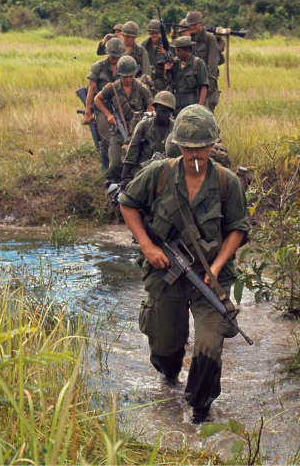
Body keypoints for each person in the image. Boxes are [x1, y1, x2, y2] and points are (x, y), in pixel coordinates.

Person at [117, 105, 250, 424]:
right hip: (166, 275)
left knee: (208, 343)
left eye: (201, 147)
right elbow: (127, 203)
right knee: (166, 352)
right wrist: (148, 247)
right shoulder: (159, 174)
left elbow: (238, 230)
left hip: (209, 278)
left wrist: (216, 267)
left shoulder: (226, 183)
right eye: (188, 147)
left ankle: (200, 412)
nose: (195, 154)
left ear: (212, 145)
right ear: (179, 145)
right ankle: (169, 379)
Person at [94, 56, 154, 184]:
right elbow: (97, 99)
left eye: (130, 76)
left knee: (140, 165)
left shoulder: (142, 88)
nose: (127, 79)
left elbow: (151, 108)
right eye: (124, 76)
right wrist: (108, 115)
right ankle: (121, 186)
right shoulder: (113, 87)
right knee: (114, 165)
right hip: (118, 132)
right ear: (119, 74)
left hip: (138, 132)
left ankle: (134, 187)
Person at [84, 37, 126, 171]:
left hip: (121, 107)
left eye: (118, 56)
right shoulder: (99, 67)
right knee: (106, 138)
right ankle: (108, 169)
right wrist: (87, 112)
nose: (115, 58)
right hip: (102, 107)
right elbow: (91, 90)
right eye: (113, 55)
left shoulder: (125, 66)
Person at [119, 91, 176, 187]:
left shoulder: (176, 128)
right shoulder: (143, 126)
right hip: (143, 172)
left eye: (167, 112)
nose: (163, 115)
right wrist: (123, 178)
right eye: (161, 111)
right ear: (155, 108)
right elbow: (132, 153)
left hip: (168, 173)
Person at [186, 10, 221, 111]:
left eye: (194, 24)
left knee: (206, 112)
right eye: (190, 25)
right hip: (192, 81)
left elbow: (213, 61)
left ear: (200, 23)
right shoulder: (189, 40)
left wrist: (209, 81)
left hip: (207, 80)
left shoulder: (210, 38)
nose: (192, 27)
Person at [165, 36, 208, 116]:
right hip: (177, 107)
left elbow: (204, 86)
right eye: (176, 50)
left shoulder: (198, 63)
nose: (176, 53)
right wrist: (167, 71)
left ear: (188, 51)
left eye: (179, 51)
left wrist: (199, 107)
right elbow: (170, 80)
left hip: (192, 107)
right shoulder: (176, 63)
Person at [141, 19, 170, 93]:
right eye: (152, 33)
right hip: (148, 78)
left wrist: (167, 52)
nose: (154, 35)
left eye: (156, 33)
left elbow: (174, 60)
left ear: (160, 33)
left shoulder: (166, 44)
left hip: (163, 79)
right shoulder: (145, 45)